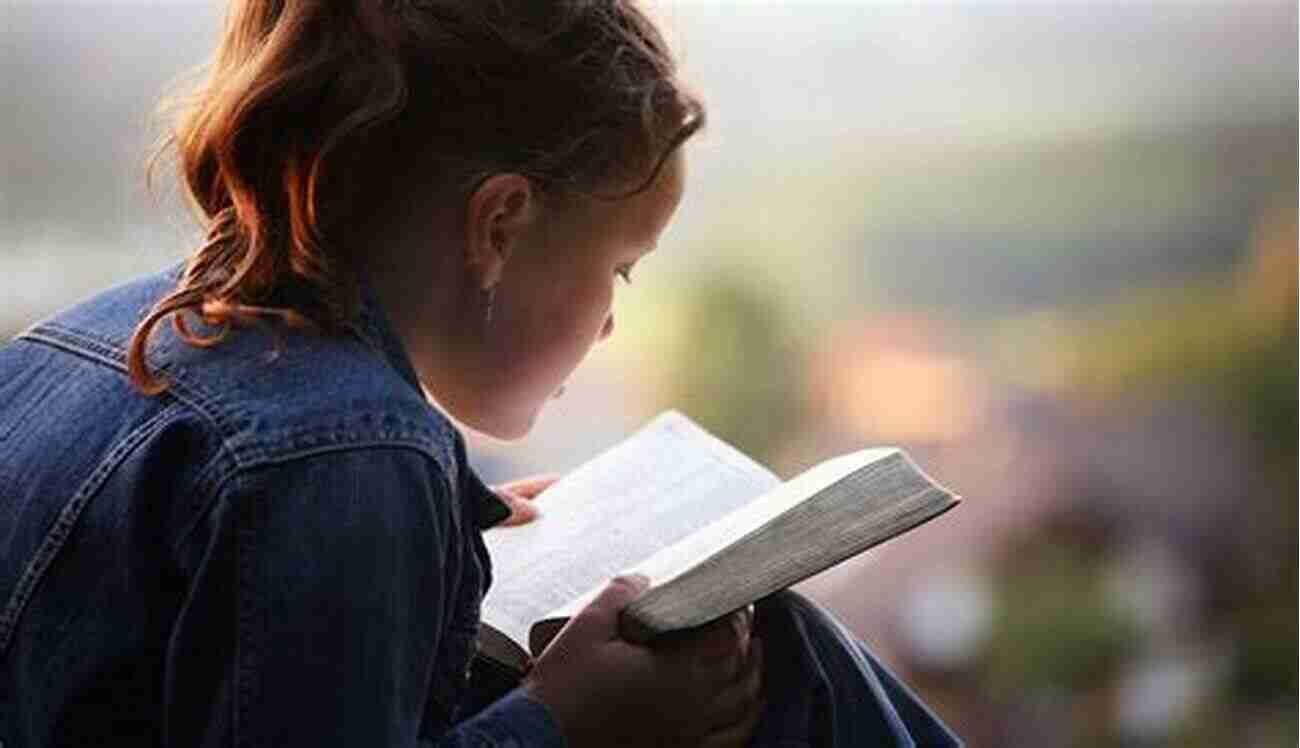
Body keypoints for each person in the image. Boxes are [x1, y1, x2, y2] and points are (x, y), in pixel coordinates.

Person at [0, 1, 961, 746]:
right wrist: (569, 726)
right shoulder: (346, 456)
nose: (615, 316)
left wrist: (454, 545)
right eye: (618, 267)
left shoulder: (78, 341)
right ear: (499, 226)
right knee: (771, 651)